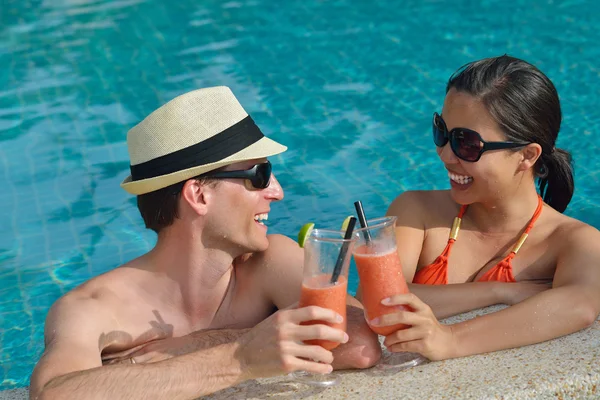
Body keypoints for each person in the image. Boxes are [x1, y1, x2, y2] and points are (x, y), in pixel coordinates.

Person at [30, 87, 381, 400]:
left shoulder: (271, 260)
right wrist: (239, 358)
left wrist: (193, 349)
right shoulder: (93, 307)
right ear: (198, 195)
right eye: (259, 176)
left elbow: (361, 345)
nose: (277, 191)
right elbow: (55, 394)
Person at [360, 55, 600, 361]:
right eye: (442, 132)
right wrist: (501, 292)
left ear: (527, 156)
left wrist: (450, 340)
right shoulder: (416, 211)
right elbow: (377, 300)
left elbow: (579, 305)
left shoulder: (572, 241)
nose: (445, 155)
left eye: (467, 143)